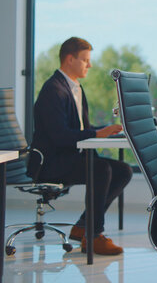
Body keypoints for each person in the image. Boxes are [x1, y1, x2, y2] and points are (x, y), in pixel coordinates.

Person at [28, 37, 133, 255]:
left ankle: (82, 226)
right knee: (101, 170)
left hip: (70, 157)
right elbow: (60, 136)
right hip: (50, 162)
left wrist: (107, 130)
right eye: (85, 60)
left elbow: (82, 126)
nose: (90, 65)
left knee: (123, 170)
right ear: (69, 59)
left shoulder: (75, 88)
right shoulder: (53, 90)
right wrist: (96, 133)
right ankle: (93, 236)